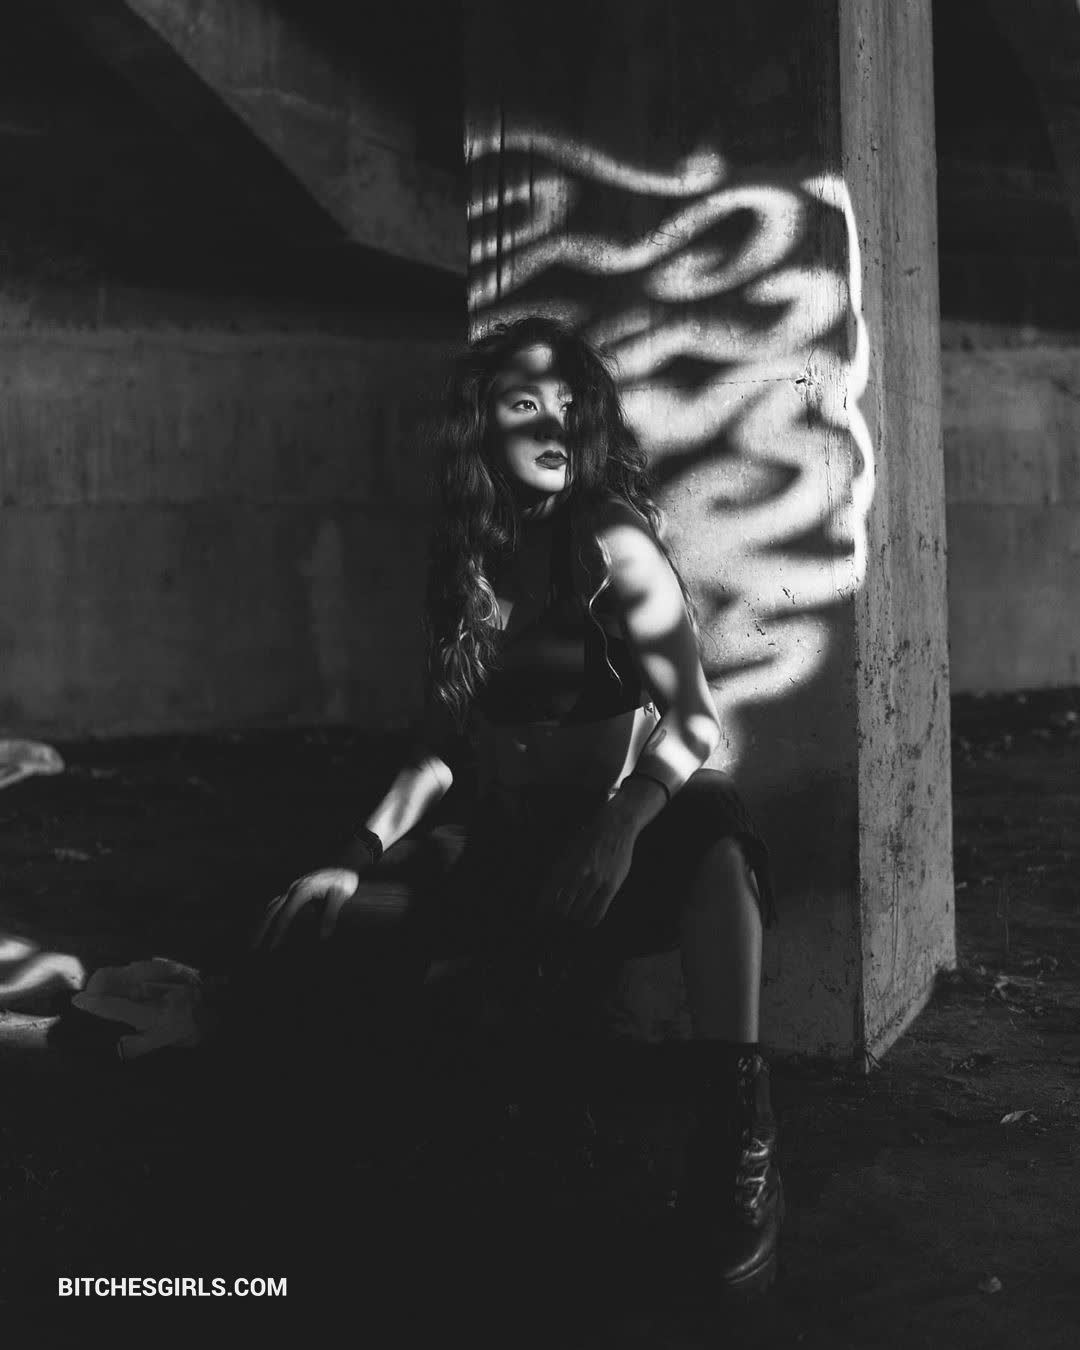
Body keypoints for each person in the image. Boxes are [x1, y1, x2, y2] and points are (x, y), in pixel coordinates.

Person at [250, 316, 783, 1298]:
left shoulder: (610, 538)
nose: (551, 425)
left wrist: (620, 826)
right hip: (504, 845)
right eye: (523, 404)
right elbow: (439, 751)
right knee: (323, 923)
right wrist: (355, 854)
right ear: (482, 427)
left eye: (570, 406)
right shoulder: (467, 556)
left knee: (717, 828)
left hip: (602, 850)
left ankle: (738, 1137)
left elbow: (693, 718)